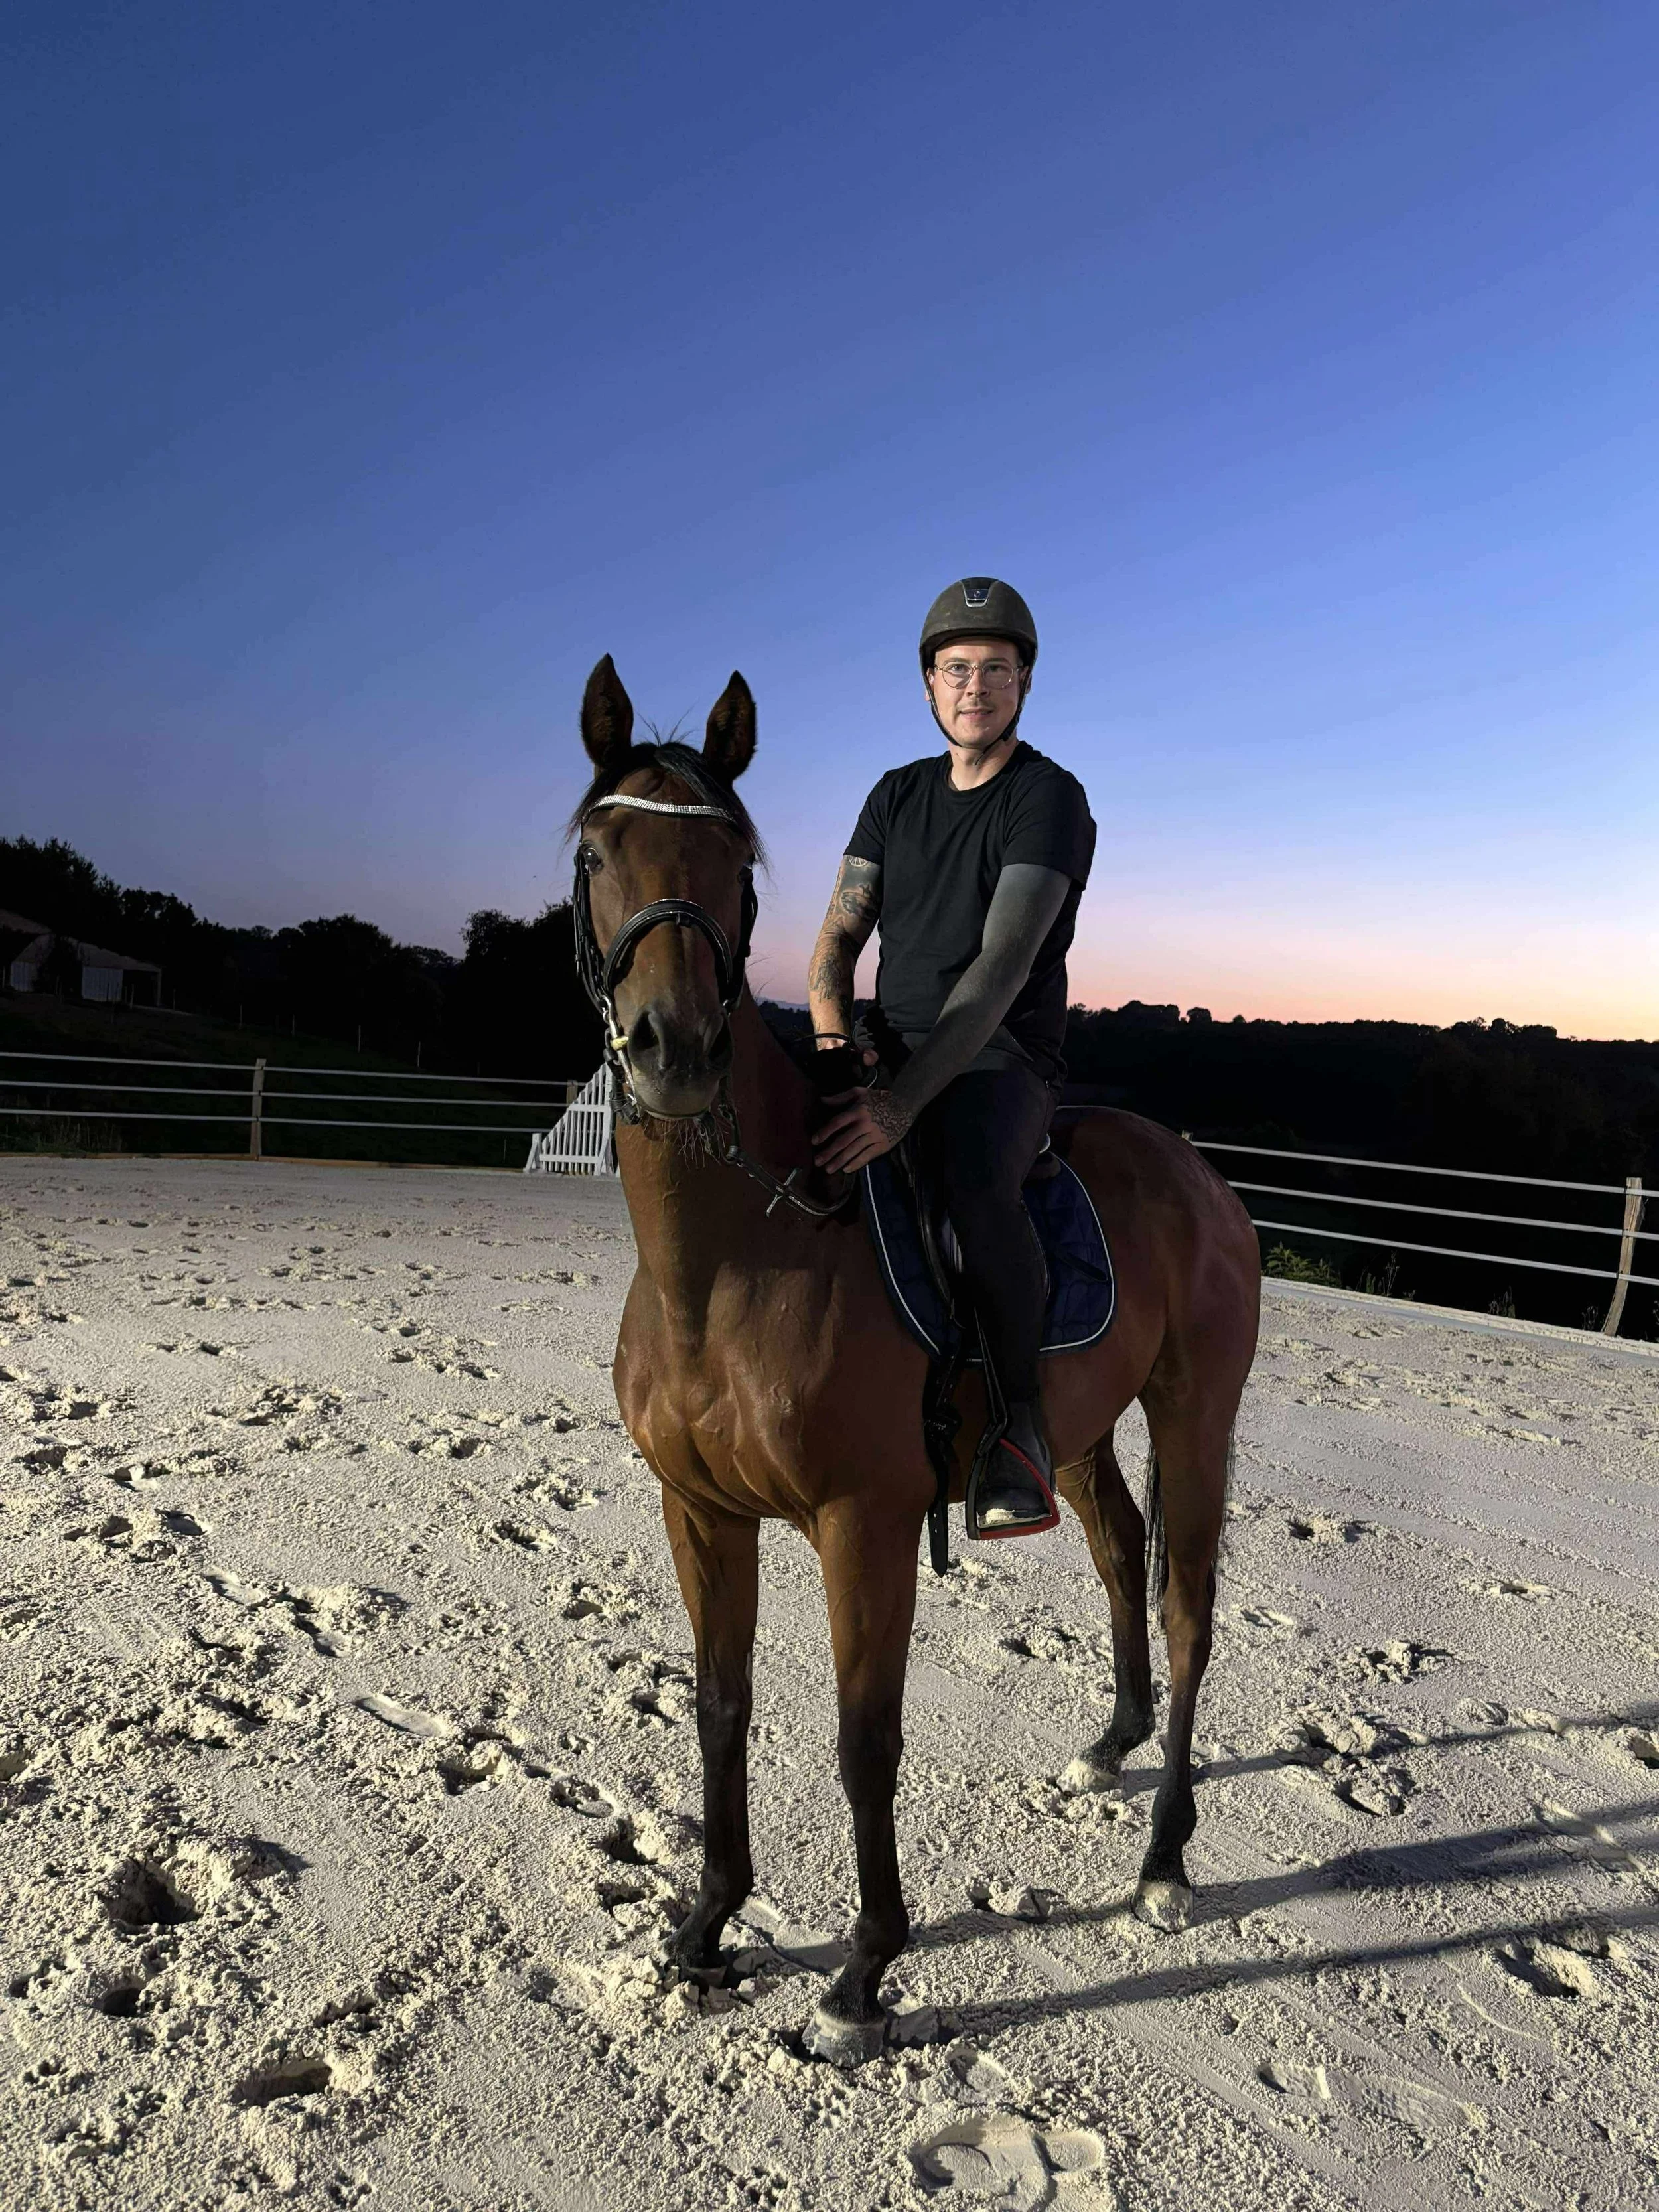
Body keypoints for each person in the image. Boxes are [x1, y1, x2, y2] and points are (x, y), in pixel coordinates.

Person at [808, 578, 1096, 1536]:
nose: (976, 686)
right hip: (885, 1041)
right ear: (929, 684)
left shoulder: (1047, 797)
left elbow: (1002, 966)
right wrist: (827, 1033)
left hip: (997, 1057)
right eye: (957, 668)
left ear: (1024, 684)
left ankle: (1020, 1433)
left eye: (997, 670)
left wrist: (898, 1109)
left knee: (974, 1187)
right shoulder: (894, 794)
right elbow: (838, 940)